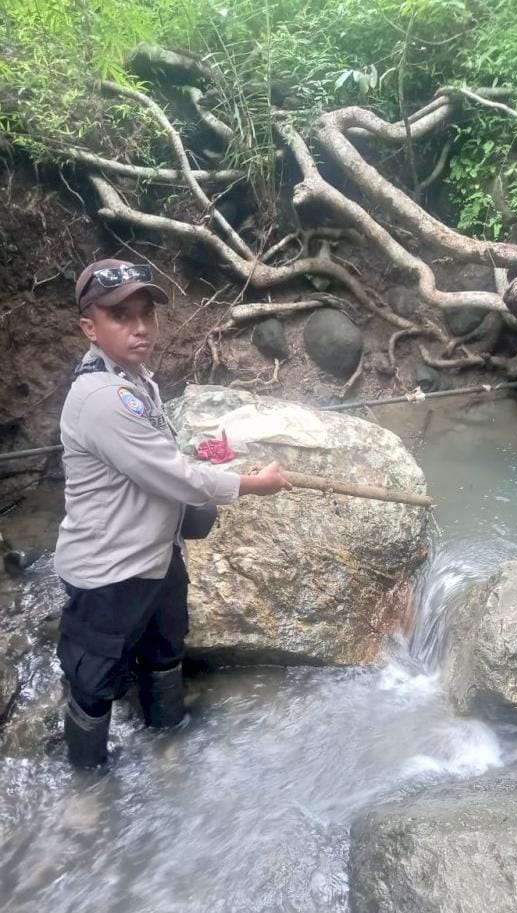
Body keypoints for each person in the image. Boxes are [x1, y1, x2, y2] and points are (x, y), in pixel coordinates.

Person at [54, 258, 291, 769]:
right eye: (121, 317)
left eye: (146, 313)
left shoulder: (136, 380)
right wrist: (254, 485)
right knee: (92, 682)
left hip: (157, 558)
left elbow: (159, 462)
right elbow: (175, 479)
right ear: (89, 328)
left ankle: (168, 746)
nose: (140, 327)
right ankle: (87, 789)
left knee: (164, 651)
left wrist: (196, 458)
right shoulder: (102, 396)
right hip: (109, 571)